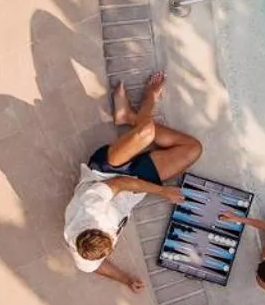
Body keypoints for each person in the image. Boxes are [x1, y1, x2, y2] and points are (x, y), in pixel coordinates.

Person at [64, 71, 203, 292]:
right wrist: (126, 279)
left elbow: (120, 182)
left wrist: (162, 191)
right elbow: (93, 268)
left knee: (146, 133)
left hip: (108, 170)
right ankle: (128, 117)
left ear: (95, 229)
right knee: (192, 149)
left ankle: (149, 98)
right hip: (135, 187)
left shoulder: (89, 207)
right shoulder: (83, 250)